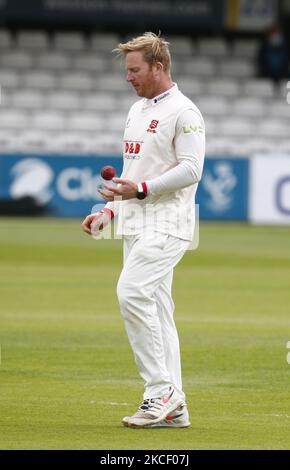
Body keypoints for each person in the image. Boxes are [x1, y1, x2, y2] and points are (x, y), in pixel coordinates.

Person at [82, 32, 205, 429]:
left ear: (159, 66)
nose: (129, 77)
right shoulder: (137, 110)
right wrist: (109, 211)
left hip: (169, 222)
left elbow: (191, 169)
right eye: (127, 70)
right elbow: (133, 174)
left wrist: (144, 190)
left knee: (131, 292)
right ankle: (177, 408)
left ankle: (160, 392)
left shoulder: (186, 112)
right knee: (159, 311)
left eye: (135, 70)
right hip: (136, 222)